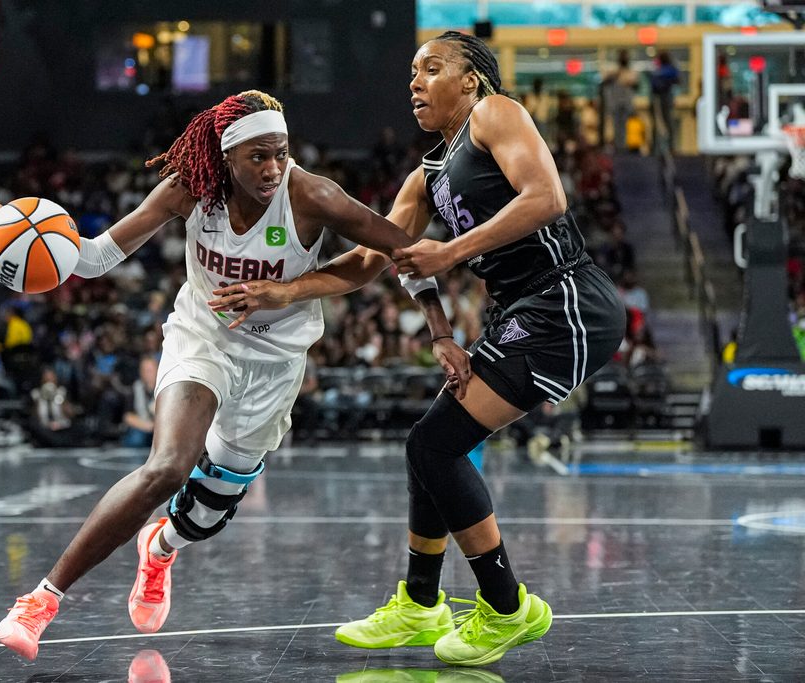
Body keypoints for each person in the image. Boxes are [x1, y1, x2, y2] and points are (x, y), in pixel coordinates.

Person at [210, 32, 626, 667]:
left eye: (432, 69)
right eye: (411, 72)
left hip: (566, 300)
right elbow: (378, 261)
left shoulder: (496, 113)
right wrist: (287, 291)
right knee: (427, 446)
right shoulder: (426, 177)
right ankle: (422, 602)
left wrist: (454, 251)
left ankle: (506, 607)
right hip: (520, 312)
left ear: (470, 82)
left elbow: (547, 198)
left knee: (435, 446)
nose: (415, 82)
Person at [0, 90, 437, 661]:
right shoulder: (188, 189)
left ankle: (162, 546)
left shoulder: (313, 195)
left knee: (208, 511)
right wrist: (43, 243)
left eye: (280, 153)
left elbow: (406, 252)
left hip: (277, 361)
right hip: (204, 337)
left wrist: (440, 330)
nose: (272, 168)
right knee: (167, 467)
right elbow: (101, 256)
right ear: (225, 156)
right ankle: (39, 601)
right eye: (257, 157)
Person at [602, 50, 638, 153]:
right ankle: (618, 147)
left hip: (626, 104)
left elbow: (636, 86)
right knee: (616, 126)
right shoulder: (614, 72)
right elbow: (604, 83)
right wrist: (614, 76)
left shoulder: (631, 73)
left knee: (626, 126)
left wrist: (630, 82)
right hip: (616, 103)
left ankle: (624, 147)